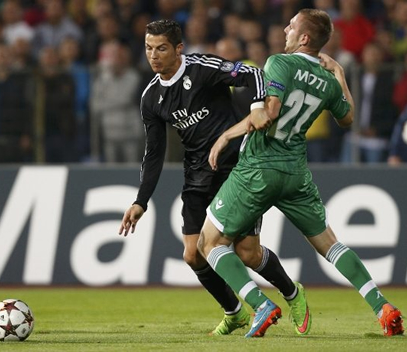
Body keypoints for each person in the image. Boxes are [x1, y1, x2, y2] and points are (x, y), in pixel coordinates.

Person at [198, 8, 404, 338]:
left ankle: (259, 303)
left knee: (209, 243)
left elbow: (269, 113)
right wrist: (338, 72)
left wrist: (226, 135)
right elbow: (348, 120)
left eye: (291, 26)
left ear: (304, 37)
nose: (285, 29)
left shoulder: (279, 62)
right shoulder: (327, 79)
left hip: (258, 168)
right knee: (330, 244)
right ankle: (382, 307)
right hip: (296, 172)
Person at [119, 19, 311, 337]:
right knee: (193, 254)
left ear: (178, 49)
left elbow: (251, 73)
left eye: (161, 48)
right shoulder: (151, 98)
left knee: (247, 252)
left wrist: (258, 106)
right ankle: (234, 312)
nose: (154, 55)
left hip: (236, 167)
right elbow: (154, 152)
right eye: (149, 48)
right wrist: (141, 200)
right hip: (196, 174)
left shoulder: (202, 68)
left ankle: (292, 294)